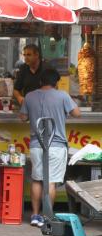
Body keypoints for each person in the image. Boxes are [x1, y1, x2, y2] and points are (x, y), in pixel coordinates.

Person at [19, 68, 80, 227]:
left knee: (37, 179)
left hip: (36, 145)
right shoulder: (62, 96)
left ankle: (34, 215)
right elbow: (77, 113)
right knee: (51, 181)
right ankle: (48, 217)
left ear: (40, 81)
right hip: (57, 145)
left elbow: (23, 117)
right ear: (57, 82)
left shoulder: (29, 96)